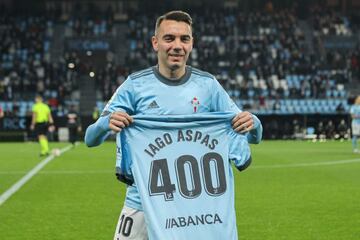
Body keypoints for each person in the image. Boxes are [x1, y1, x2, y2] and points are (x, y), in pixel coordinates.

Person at [85, 10, 262, 240]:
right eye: (169, 38)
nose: (177, 45)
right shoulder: (135, 85)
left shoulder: (208, 86)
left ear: (191, 44)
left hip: (193, 206)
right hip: (141, 201)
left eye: (184, 39)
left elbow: (253, 136)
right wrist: (105, 123)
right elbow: (90, 138)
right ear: (155, 43)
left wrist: (254, 122)